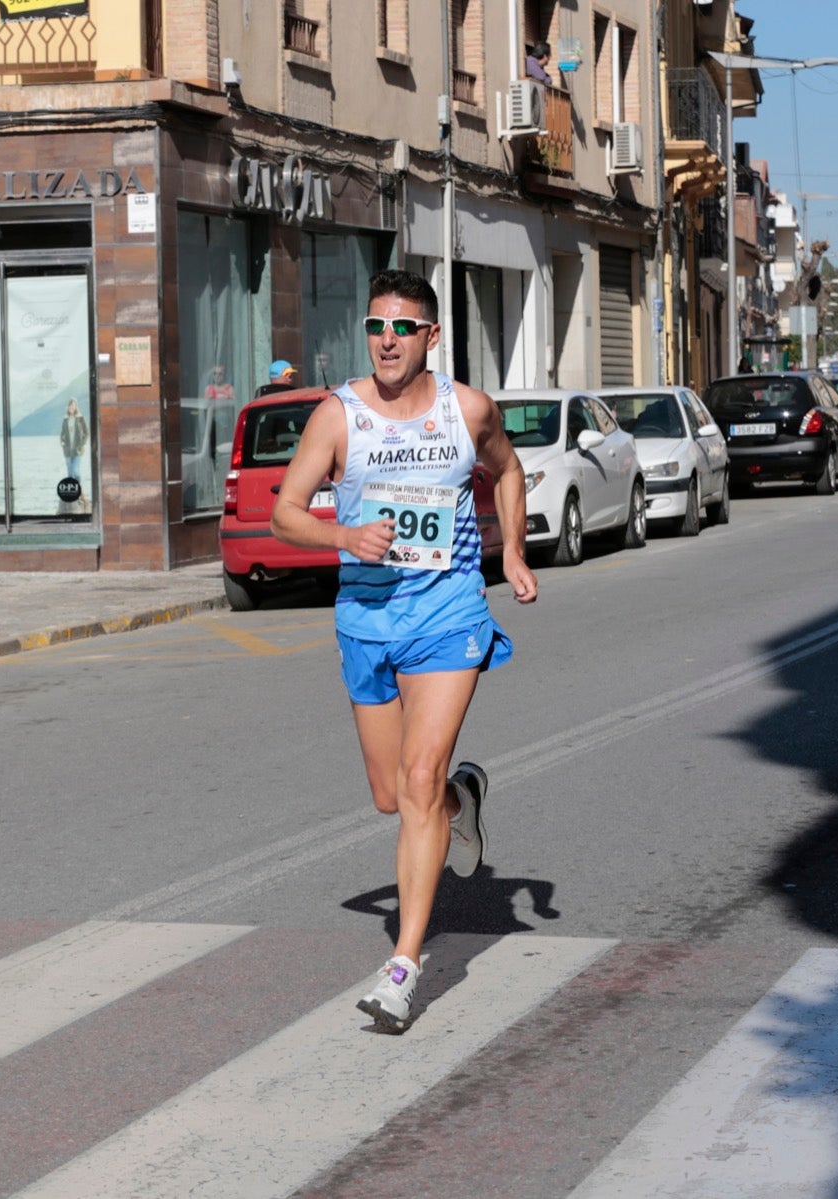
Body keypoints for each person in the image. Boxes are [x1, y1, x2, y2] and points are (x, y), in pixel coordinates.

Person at [271, 268, 537, 1033]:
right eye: (375, 326)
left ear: (431, 335)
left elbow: (508, 470)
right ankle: (462, 801)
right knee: (394, 796)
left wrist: (512, 551)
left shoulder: (466, 410)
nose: (386, 340)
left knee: (418, 778)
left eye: (402, 327)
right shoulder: (339, 416)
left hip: (449, 612)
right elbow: (286, 513)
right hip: (366, 618)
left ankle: (403, 966)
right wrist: (344, 534)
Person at [60, 399, 89, 482]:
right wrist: (62, 442)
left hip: (78, 450)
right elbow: (62, 433)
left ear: (76, 407)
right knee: (70, 473)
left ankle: (79, 487)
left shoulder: (80, 418)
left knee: (75, 470)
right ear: (68, 407)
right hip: (67, 450)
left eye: (73, 405)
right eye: (70, 405)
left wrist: (82, 443)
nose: (71, 407)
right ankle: (74, 489)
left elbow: (86, 432)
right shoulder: (65, 419)